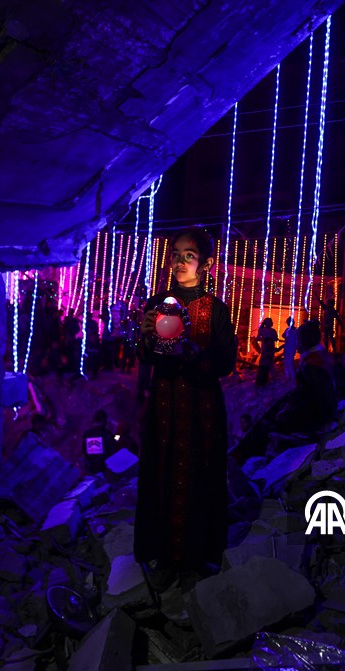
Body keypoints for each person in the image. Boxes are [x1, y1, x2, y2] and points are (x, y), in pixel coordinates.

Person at [135, 229, 237, 590]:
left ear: (206, 264)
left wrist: (195, 355)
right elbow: (146, 358)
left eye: (189, 255)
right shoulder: (156, 303)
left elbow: (227, 362)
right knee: (160, 474)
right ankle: (161, 557)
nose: (180, 262)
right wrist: (146, 337)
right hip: (163, 407)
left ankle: (196, 558)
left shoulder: (216, 309)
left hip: (201, 409)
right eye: (175, 254)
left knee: (200, 473)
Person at [274, 320, 337, 434]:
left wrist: (290, 410)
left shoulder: (312, 365)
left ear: (303, 341)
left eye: (297, 340)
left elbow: (312, 398)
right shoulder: (320, 357)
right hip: (323, 411)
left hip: (317, 416)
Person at [82, 409, 113, 474]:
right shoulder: (107, 434)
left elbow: (84, 451)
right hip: (105, 469)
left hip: (91, 469)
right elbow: (113, 444)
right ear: (105, 421)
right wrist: (118, 435)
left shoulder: (87, 434)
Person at [251, 317, 278, 386]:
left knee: (269, 362)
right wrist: (264, 339)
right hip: (266, 348)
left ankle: (270, 377)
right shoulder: (264, 330)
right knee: (265, 362)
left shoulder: (272, 331)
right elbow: (258, 338)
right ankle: (265, 377)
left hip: (270, 347)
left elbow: (275, 338)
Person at [281, 316, 298, 380]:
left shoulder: (295, 331)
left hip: (291, 348)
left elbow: (297, 340)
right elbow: (283, 335)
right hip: (288, 348)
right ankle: (288, 376)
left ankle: (292, 377)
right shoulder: (288, 330)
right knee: (286, 362)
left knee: (290, 363)